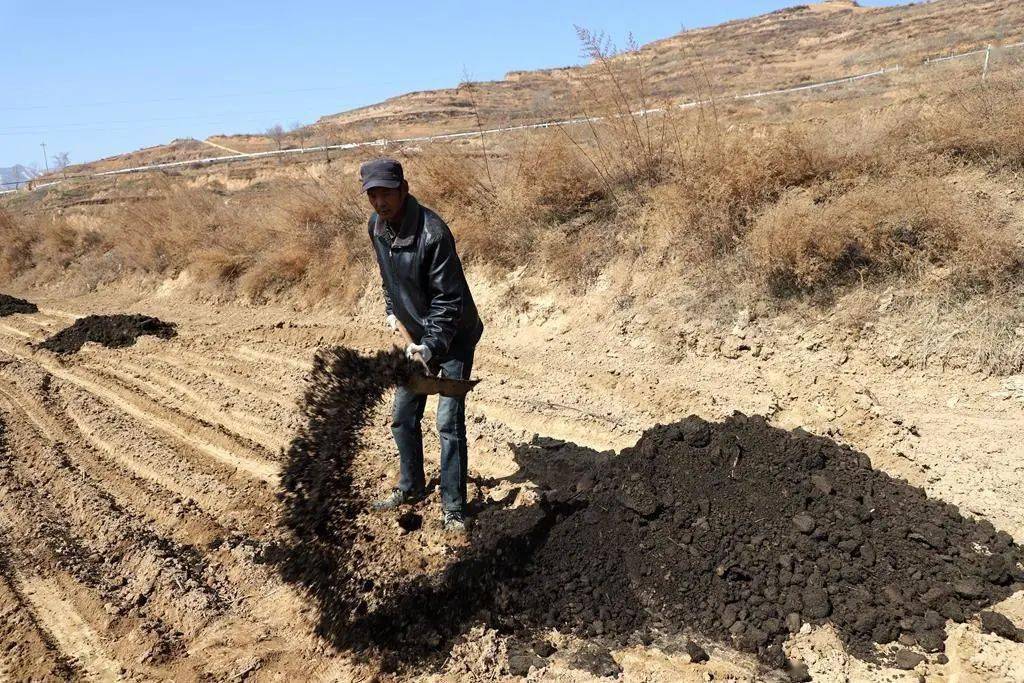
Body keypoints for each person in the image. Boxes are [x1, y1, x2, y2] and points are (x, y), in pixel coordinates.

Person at [361, 157, 484, 533]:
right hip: (416, 339)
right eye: (373, 194)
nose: (380, 202)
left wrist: (431, 346)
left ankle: (453, 507)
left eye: (386, 192)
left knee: (448, 423)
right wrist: (390, 310)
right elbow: (389, 279)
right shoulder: (377, 227)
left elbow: (449, 301)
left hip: (453, 337)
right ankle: (411, 487)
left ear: (404, 189)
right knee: (403, 416)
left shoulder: (433, 233)